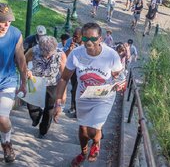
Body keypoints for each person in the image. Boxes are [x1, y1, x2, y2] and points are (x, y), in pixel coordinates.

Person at [53, 22, 122, 166]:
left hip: (104, 97)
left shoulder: (111, 55)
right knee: (83, 129)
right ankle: (83, 151)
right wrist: (58, 102)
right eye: (85, 39)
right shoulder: (76, 54)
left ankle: (96, 143)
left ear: (100, 38)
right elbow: (64, 78)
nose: (88, 42)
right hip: (83, 96)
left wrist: (120, 82)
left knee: (93, 129)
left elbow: (118, 75)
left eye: (93, 39)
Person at [0, 3, 27, 163]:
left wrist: (23, 82)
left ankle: (7, 142)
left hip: (7, 81)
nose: (6, 25)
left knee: (2, 118)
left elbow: (21, 59)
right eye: (2, 21)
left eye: (8, 21)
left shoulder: (15, 34)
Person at [25, 36, 67, 138]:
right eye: (45, 53)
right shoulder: (33, 51)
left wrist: (63, 96)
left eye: (50, 54)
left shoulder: (60, 55)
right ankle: (36, 117)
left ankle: (43, 130)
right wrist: (27, 70)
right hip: (36, 80)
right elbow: (23, 61)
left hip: (52, 83)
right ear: (40, 48)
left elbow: (64, 75)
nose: (47, 56)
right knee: (31, 104)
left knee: (49, 109)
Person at [63, 28, 83, 116]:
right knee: (74, 90)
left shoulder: (86, 44)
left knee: (77, 89)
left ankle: (77, 109)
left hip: (83, 70)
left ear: (82, 36)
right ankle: (73, 107)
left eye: (76, 37)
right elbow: (64, 56)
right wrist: (70, 49)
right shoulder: (69, 41)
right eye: (73, 36)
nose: (74, 38)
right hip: (72, 69)